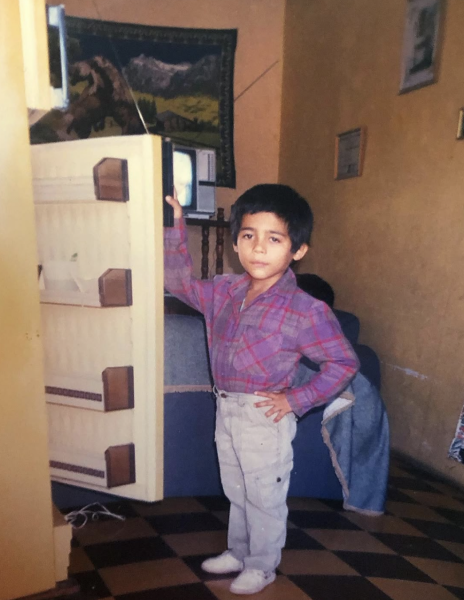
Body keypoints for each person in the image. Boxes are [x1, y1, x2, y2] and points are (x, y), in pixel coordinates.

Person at [164, 184, 358, 595]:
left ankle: (263, 564)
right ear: (236, 242)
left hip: (264, 415)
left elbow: (343, 362)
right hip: (226, 408)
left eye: (274, 239)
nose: (258, 248)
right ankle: (239, 551)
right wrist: (174, 226)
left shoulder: (306, 309)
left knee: (264, 495)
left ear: (297, 250)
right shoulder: (223, 291)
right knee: (236, 488)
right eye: (249, 235)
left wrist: (295, 399)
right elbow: (179, 284)